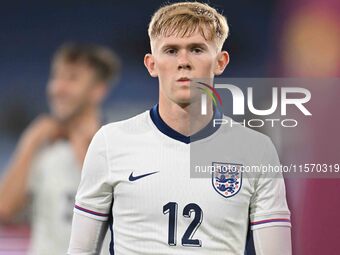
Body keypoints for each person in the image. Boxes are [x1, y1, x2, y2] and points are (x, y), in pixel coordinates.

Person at [68, 2, 292, 255]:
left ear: (220, 61)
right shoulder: (111, 142)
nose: (183, 62)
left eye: (197, 49)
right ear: (151, 64)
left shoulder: (256, 150)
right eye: (171, 50)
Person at [0, 42, 120, 255]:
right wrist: (30, 142)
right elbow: (5, 209)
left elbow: (123, 211)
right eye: (56, 77)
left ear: (97, 90)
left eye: (72, 78)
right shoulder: (43, 148)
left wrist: (82, 146)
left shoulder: (119, 145)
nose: (58, 88)